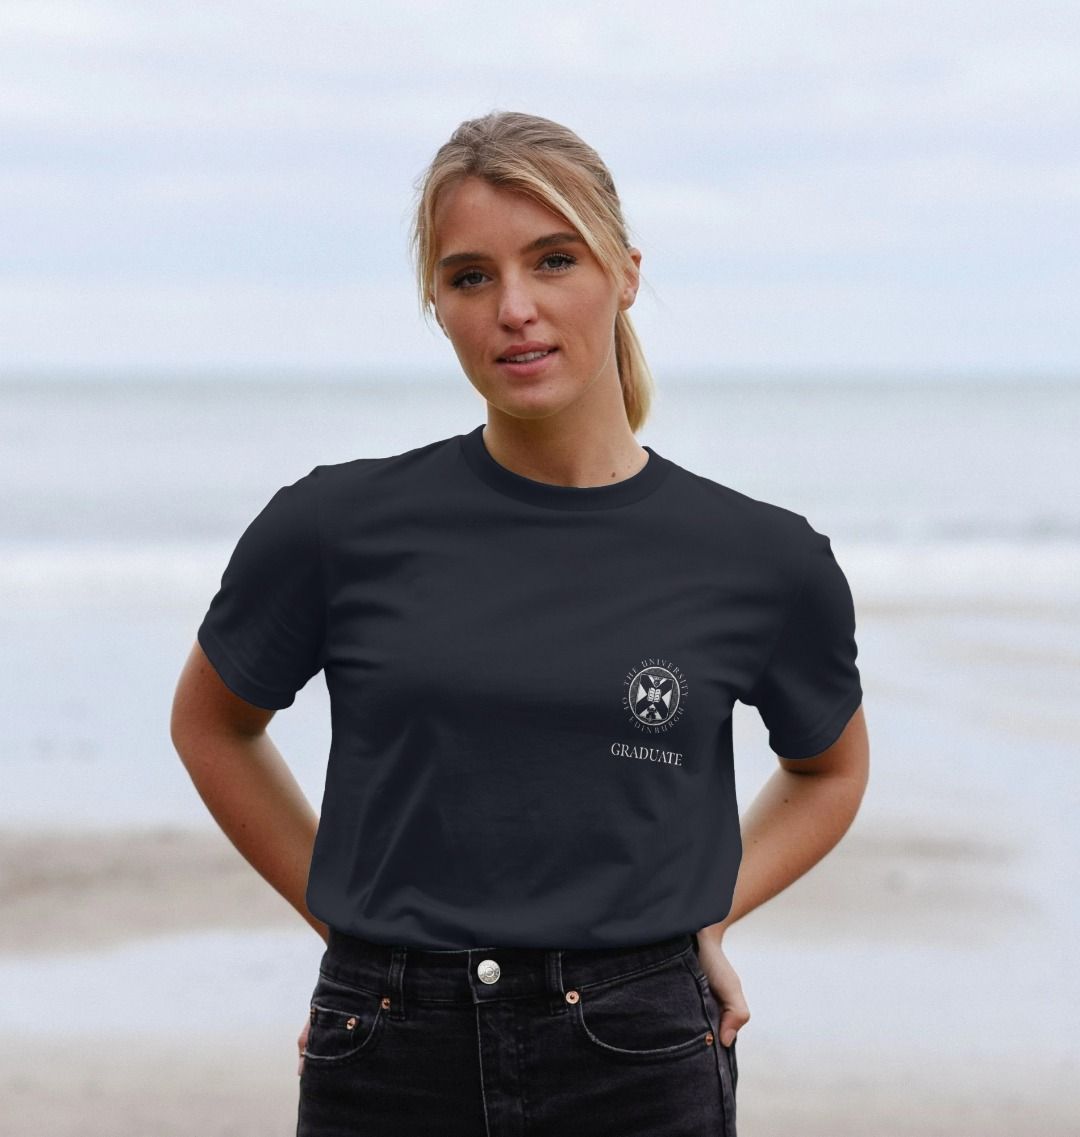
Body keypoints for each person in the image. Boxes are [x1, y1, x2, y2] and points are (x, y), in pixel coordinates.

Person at [170, 109, 869, 1137]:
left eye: (554, 261)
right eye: (469, 277)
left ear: (625, 272)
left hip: (638, 1046)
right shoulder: (334, 526)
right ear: (437, 306)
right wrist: (360, 936)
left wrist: (706, 915)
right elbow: (213, 724)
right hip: (388, 1047)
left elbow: (831, 770)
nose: (516, 310)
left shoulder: (758, 557)